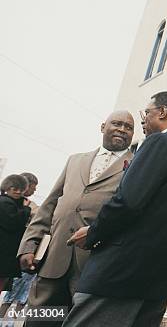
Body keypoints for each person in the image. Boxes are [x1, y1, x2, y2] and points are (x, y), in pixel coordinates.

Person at [62, 91, 167, 327]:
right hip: (156, 279)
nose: (142, 121)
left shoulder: (160, 141)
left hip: (121, 274)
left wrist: (93, 234)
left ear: (162, 112)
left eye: (146, 113)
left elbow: (128, 201)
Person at [17, 110, 134, 327]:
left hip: (94, 269)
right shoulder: (75, 160)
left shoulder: (136, 166)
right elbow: (50, 204)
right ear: (102, 127)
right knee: (39, 322)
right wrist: (29, 243)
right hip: (53, 264)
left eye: (128, 127)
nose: (122, 129)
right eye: (117, 124)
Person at [0, 173, 39, 317]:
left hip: (8, 257)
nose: (34, 191)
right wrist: (26, 210)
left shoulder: (14, 203)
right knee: (11, 297)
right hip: (5, 256)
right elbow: (13, 222)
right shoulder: (7, 203)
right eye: (32, 188)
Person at [0, 175, 31, 300]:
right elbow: (13, 222)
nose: (18, 191)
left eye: (21, 188)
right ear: (7, 187)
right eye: (14, 188)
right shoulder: (4, 202)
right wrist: (26, 209)